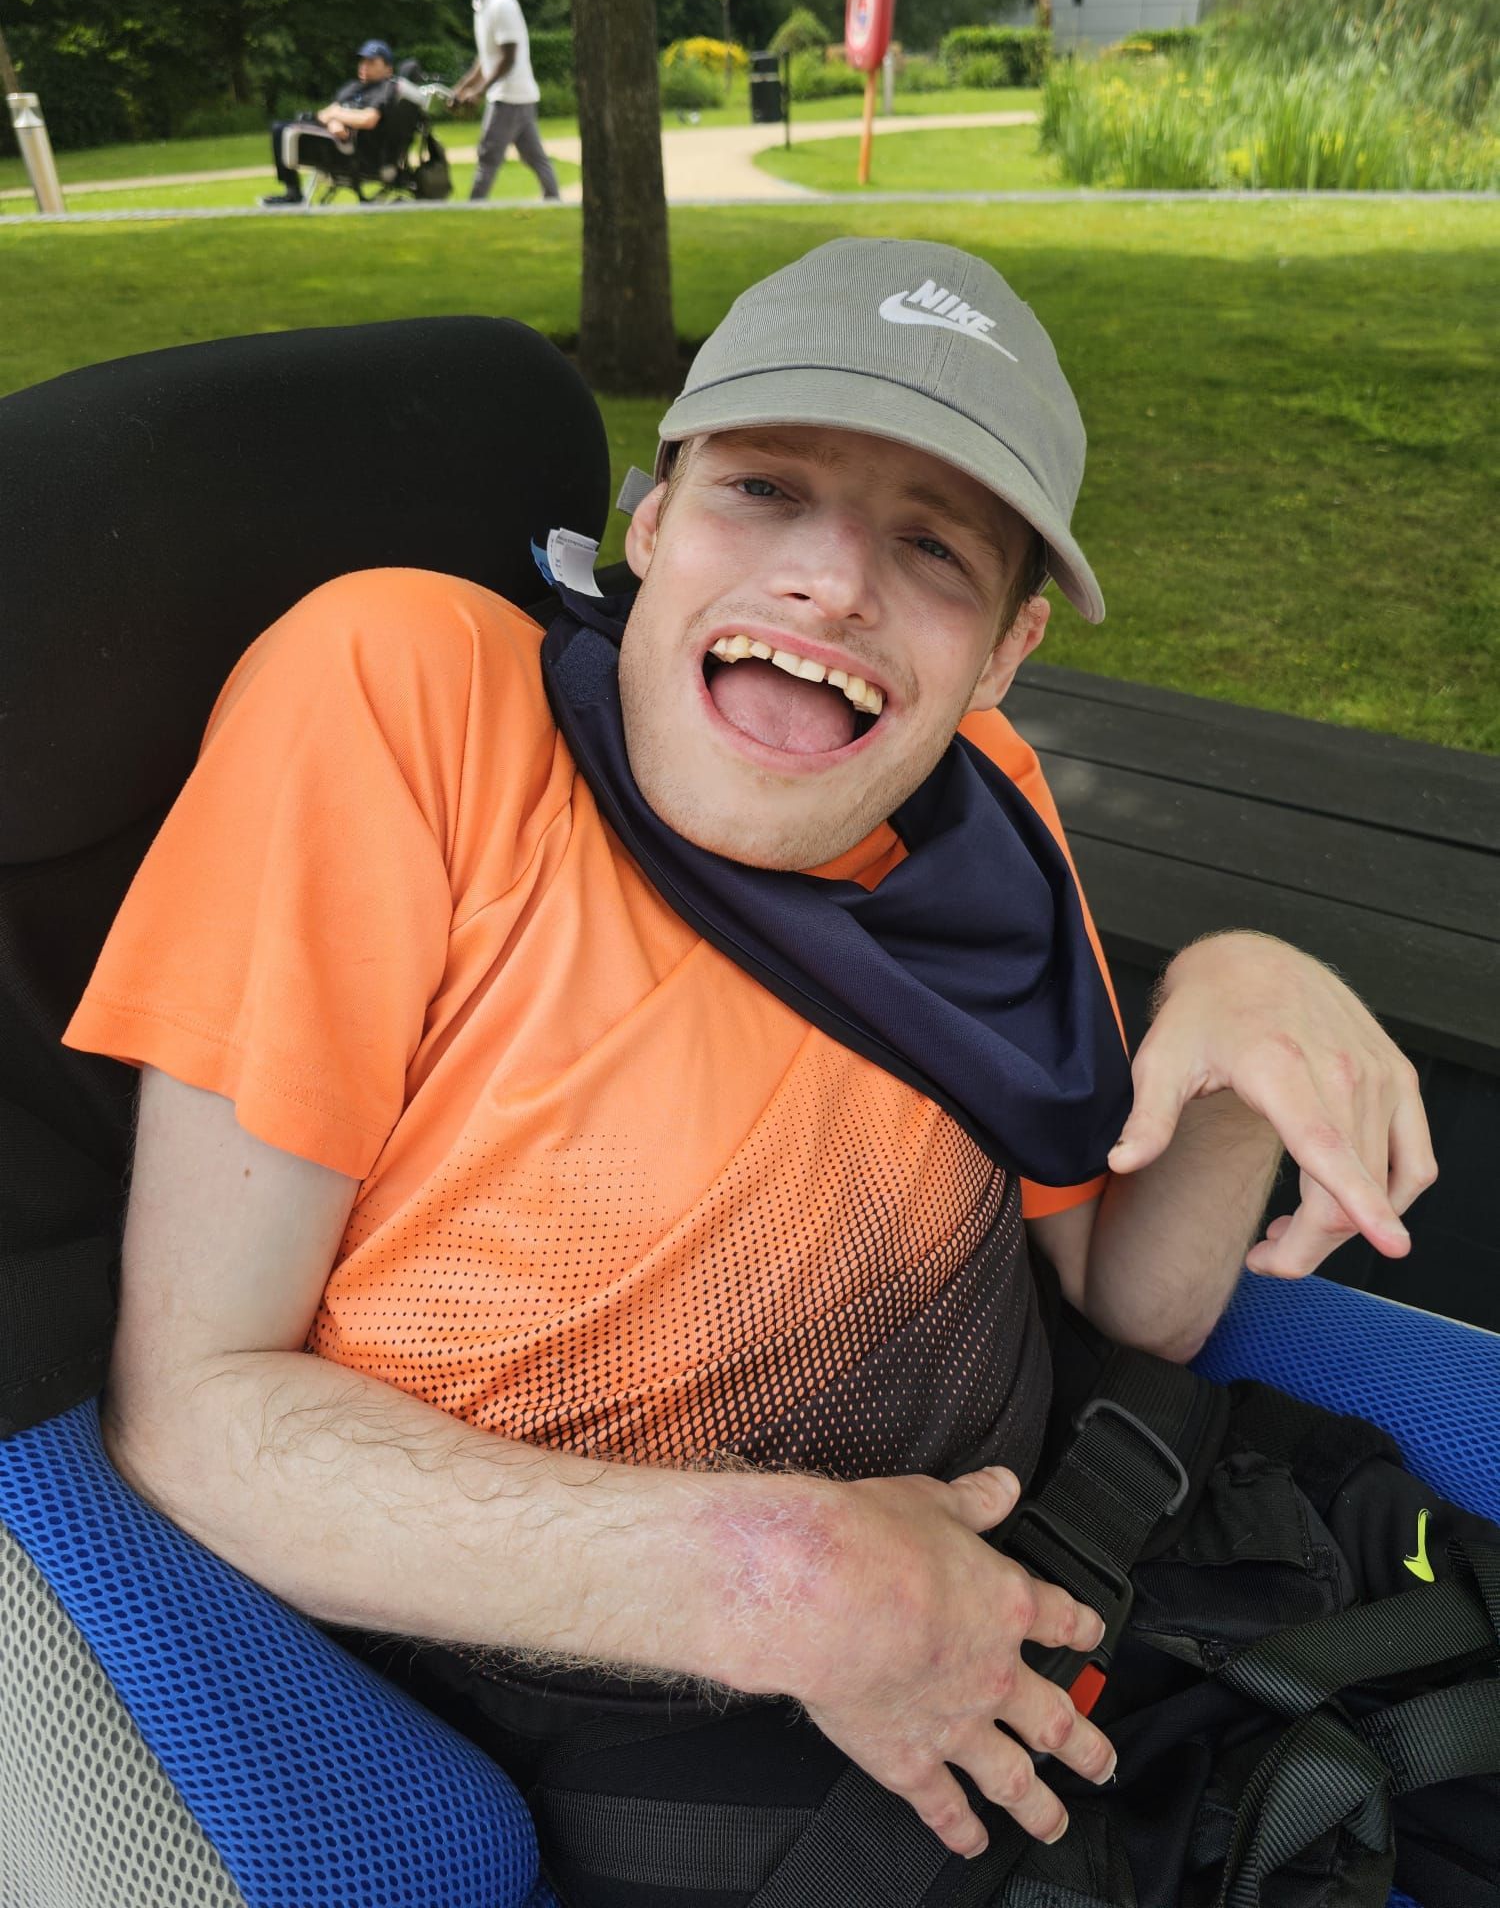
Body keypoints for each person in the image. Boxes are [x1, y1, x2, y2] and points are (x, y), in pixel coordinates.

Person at [66, 239, 1434, 1897]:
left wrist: (1240, 1012)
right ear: (652, 522)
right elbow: (190, 1416)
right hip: (694, 1715)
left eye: (933, 546)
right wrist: (772, 1579)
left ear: (1001, 656)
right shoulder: (404, 694)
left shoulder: (982, 814)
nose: (832, 582)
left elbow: (1130, 1300)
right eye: (767, 486)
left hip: (1126, 1549)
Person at [452, 0, 560, 203]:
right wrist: (462, 87)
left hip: (509, 96)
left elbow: (507, 58)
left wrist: (478, 91)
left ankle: (473, 210)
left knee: (487, 155)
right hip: (518, 95)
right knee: (534, 156)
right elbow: (486, 57)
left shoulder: (501, 4)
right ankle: (554, 200)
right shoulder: (482, 3)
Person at [261, 39, 398, 208]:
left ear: (388, 69)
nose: (364, 66)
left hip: (355, 149)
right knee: (280, 128)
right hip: (333, 134)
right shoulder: (352, 87)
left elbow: (368, 119)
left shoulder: (385, 88)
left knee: (285, 131)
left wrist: (337, 115)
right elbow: (325, 113)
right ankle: (292, 191)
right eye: (362, 61)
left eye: (371, 62)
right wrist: (335, 119)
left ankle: (293, 196)